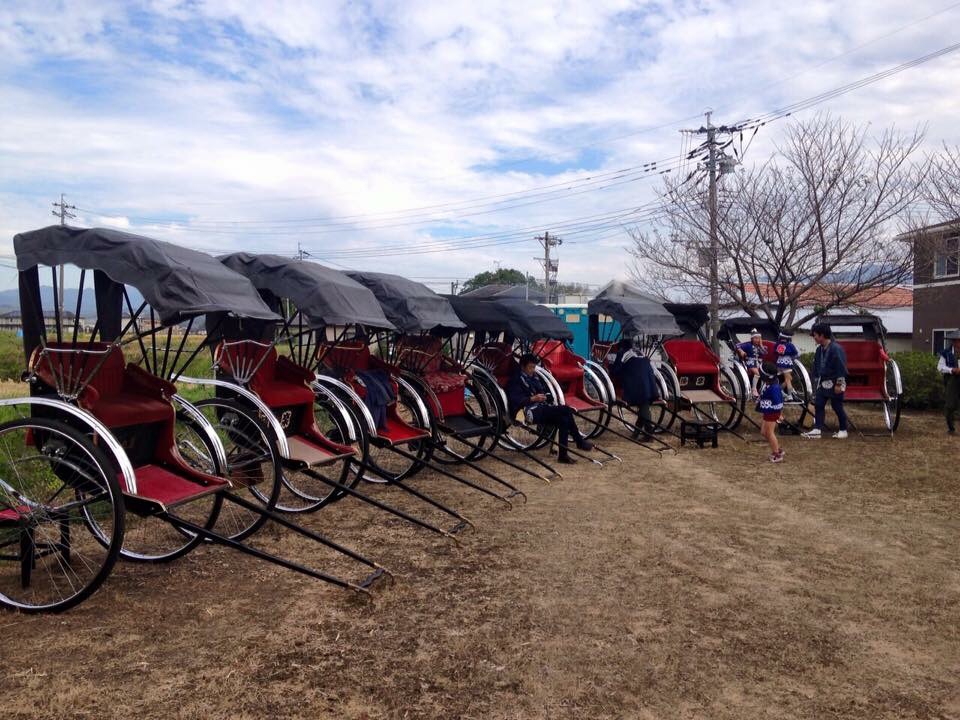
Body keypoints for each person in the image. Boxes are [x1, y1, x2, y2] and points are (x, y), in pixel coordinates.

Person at [506, 353, 593, 464]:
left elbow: (543, 390)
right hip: (525, 411)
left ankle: (563, 455)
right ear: (522, 366)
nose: (533, 370)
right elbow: (515, 400)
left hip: (540, 407)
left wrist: (545, 396)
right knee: (566, 410)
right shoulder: (515, 380)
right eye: (530, 367)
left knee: (564, 419)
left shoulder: (534, 377)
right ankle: (579, 442)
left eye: (534, 367)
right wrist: (532, 399)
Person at [606, 338, 661, 439]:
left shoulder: (621, 353)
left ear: (621, 347)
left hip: (636, 382)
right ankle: (637, 433)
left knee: (643, 404)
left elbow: (616, 371)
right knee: (644, 405)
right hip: (649, 380)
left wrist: (609, 367)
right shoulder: (639, 351)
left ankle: (649, 433)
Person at [803, 323, 848, 439]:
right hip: (823, 382)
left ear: (822, 335)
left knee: (837, 406)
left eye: (815, 335)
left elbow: (841, 368)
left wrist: (839, 384)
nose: (814, 338)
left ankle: (843, 430)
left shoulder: (836, 349)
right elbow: (817, 367)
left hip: (836, 381)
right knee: (819, 404)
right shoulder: (819, 349)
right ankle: (817, 429)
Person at [756, 362, 785, 462]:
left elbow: (778, 401)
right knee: (764, 432)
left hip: (772, 411)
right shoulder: (769, 384)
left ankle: (777, 454)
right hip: (768, 411)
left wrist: (780, 414)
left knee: (769, 432)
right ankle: (777, 448)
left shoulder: (774, 388)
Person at [937, 329, 960, 434]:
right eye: (957, 341)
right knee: (950, 405)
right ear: (954, 342)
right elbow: (940, 367)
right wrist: (951, 370)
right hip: (952, 380)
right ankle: (951, 428)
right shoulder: (946, 353)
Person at [736, 329, 767, 398]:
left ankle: (762, 390)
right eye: (755, 338)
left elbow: (765, 353)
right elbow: (737, 345)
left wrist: (761, 345)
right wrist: (741, 351)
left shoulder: (760, 346)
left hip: (758, 363)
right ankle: (754, 389)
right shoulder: (748, 345)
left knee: (765, 374)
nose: (757, 340)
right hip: (750, 362)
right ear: (752, 338)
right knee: (758, 374)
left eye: (759, 338)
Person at [774, 330, 800, 397]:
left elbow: (775, 351)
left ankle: (779, 390)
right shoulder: (790, 345)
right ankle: (790, 395)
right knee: (788, 380)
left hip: (779, 362)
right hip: (786, 363)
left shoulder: (777, 344)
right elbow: (795, 353)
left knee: (789, 378)